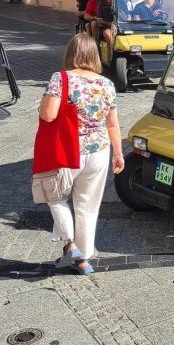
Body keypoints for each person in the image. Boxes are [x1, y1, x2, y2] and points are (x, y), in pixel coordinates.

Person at [39, 33, 124, 274]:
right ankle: (84, 260)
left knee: (55, 196)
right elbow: (113, 124)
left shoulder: (61, 79)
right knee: (88, 206)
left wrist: (42, 103)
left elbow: (49, 115)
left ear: (70, 54)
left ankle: (70, 243)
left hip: (68, 149)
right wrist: (118, 153)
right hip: (99, 151)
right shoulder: (106, 84)